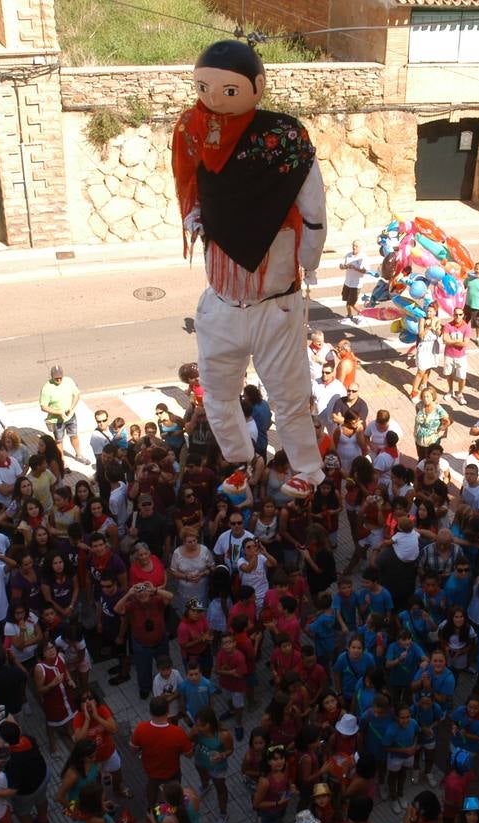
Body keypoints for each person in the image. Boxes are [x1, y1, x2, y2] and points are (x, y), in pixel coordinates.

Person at [174, 39, 327, 499]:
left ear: (256, 86)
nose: (214, 97)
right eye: (205, 86)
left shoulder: (284, 139)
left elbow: (312, 202)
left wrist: (310, 260)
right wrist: (194, 218)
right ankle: (242, 460)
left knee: (289, 396)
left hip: (274, 303)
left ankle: (309, 469)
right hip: (222, 301)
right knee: (217, 395)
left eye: (227, 88)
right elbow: (187, 186)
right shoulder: (192, 130)